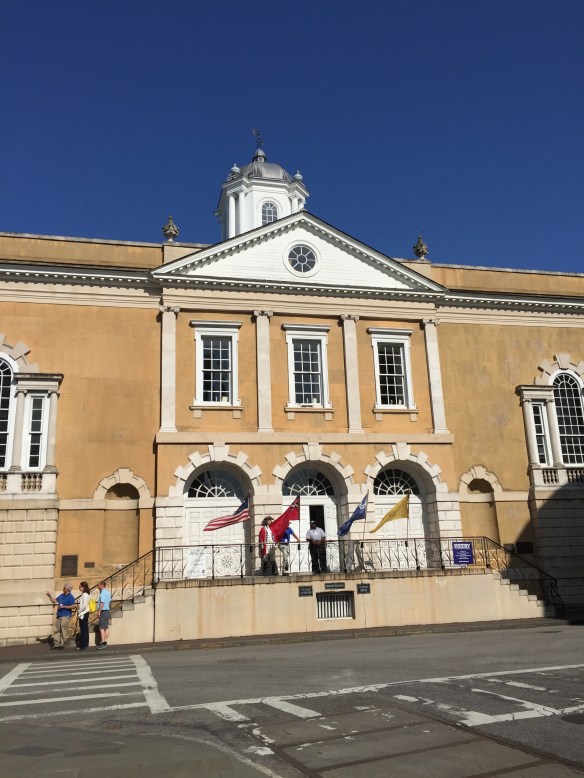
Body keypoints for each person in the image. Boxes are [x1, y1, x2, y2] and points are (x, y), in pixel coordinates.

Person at [46, 583, 75, 649]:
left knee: (63, 630)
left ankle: (62, 644)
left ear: (68, 589)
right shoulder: (61, 595)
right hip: (59, 615)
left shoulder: (71, 597)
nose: (63, 589)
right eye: (63, 588)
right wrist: (49, 595)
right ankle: (56, 644)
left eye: (64, 588)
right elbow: (54, 601)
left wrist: (64, 606)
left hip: (65, 616)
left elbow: (73, 606)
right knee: (57, 630)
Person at [96, 580, 112, 649]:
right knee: (106, 627)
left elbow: (102, 603)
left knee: (101, 628)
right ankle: (105, 642)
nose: (97, 586)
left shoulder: (102, 593)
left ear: (102, 585)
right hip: (107, 611)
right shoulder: (108, 592)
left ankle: (102, 642)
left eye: (98, 585)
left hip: (103, 611)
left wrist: (99, 612)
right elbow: (109, 602)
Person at [77, 581, 91, 650]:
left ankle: (83, 645)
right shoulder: (85, 594)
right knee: (84, 629)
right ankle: (85, 644)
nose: (79, 588)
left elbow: (84, 605)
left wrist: (79, 611)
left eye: (80, 586)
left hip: (83, 613)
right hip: (84, 613)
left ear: (83, 587)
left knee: (83, 630)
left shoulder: (85, 594)